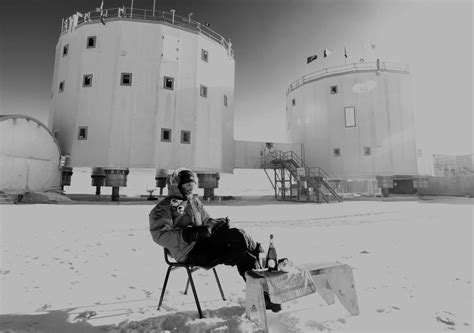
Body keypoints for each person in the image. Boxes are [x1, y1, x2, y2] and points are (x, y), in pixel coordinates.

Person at [149, 167, 281, 312]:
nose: (190, 190)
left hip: (203, 245)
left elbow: (206, 221)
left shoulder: (194, 202)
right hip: (189, 252)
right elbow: (160, 235)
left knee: (238, 236)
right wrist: (188, 234)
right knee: (241, 251)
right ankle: (264, 282)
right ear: (176, 186)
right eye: (187, 186)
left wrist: (218, 224)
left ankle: (261, 261)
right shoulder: (164, 208)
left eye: (192, 186)